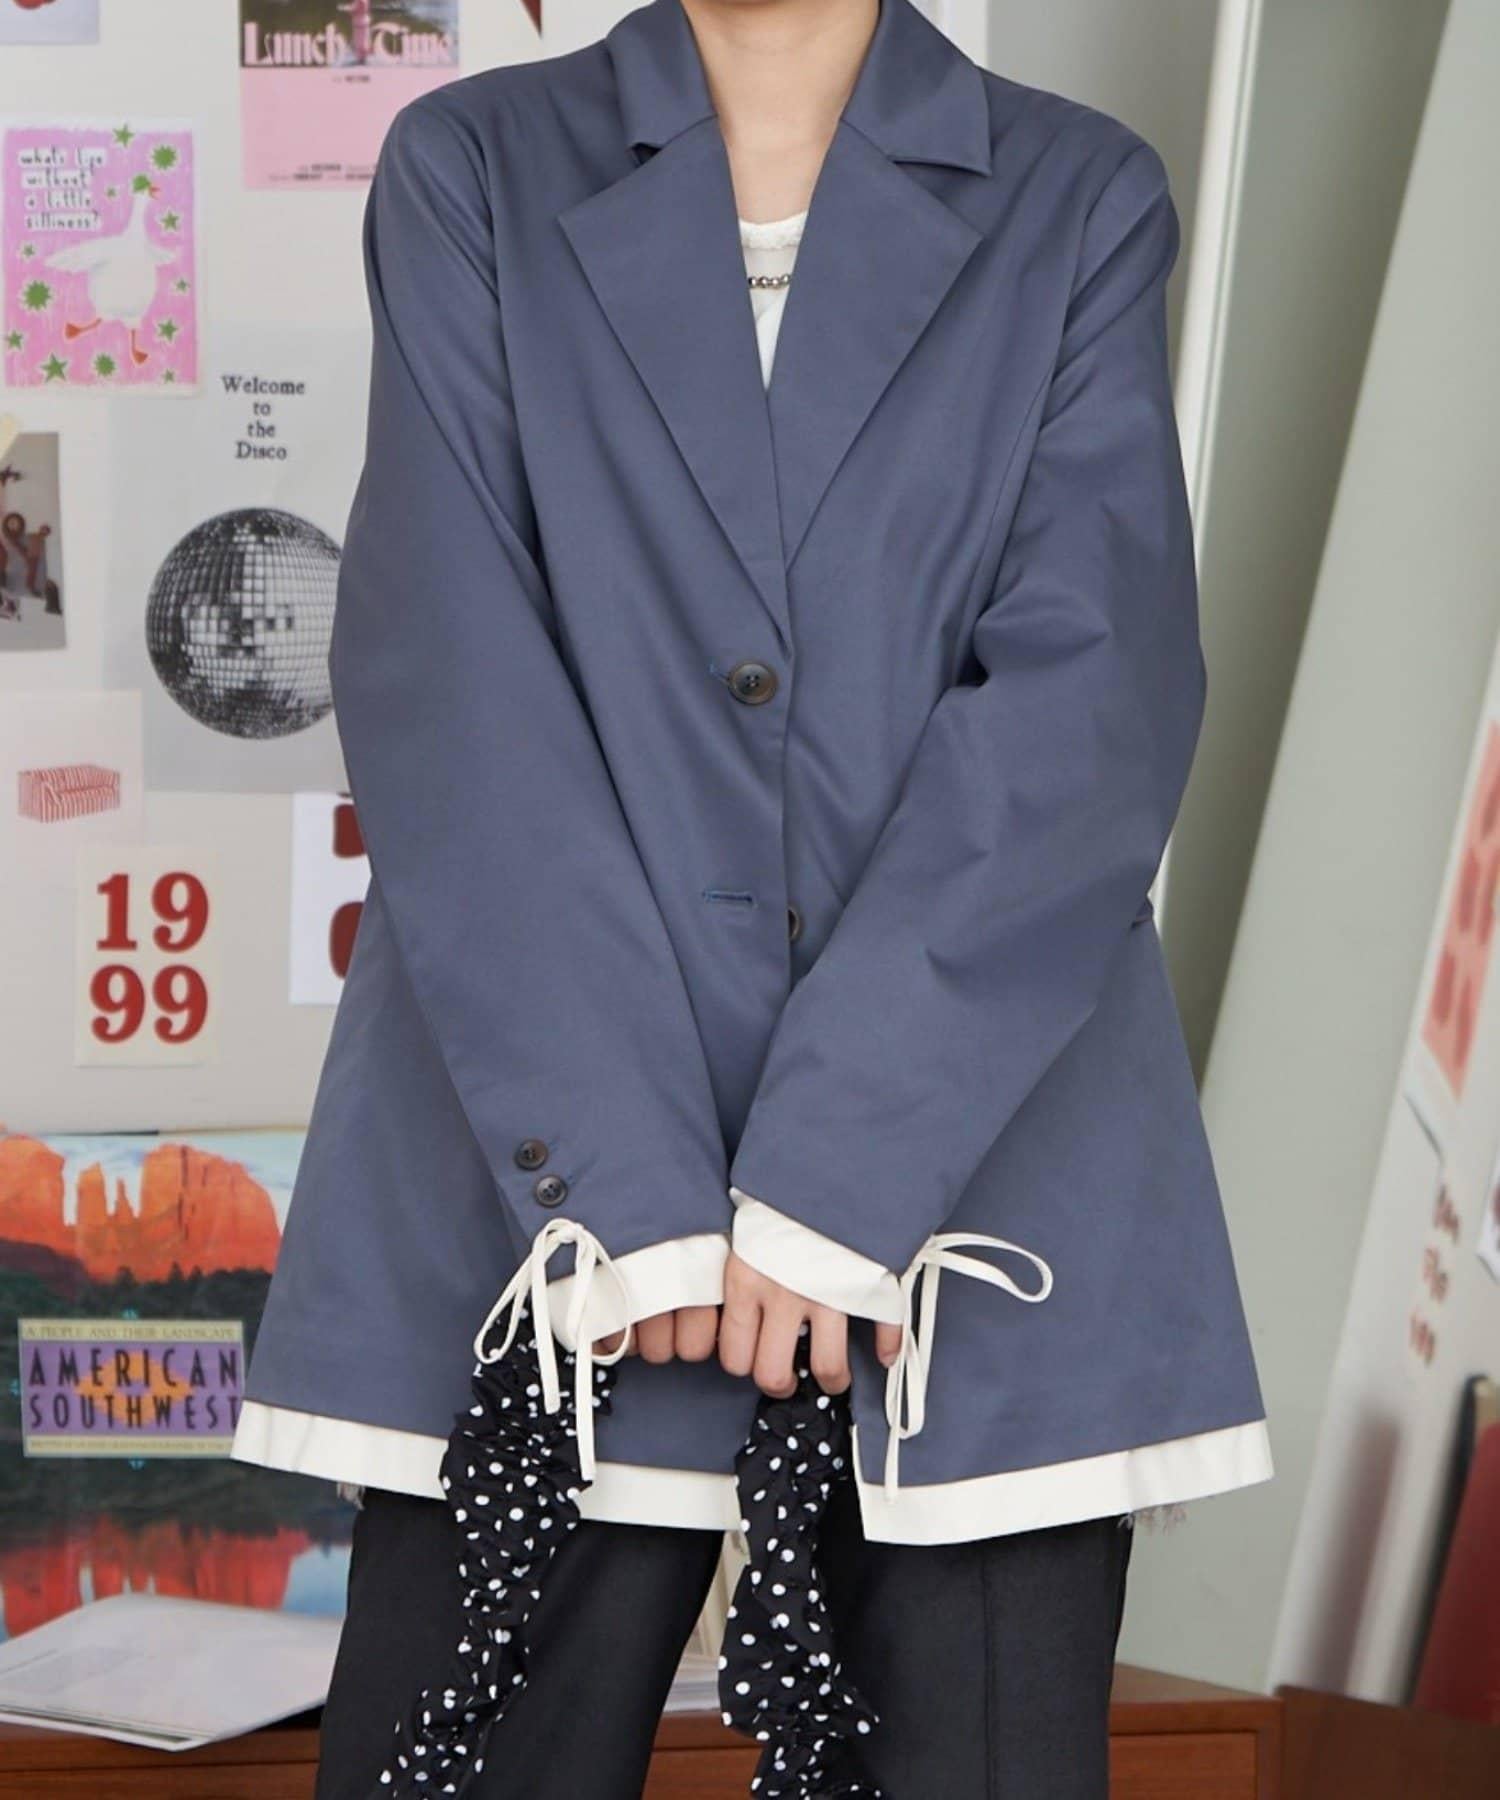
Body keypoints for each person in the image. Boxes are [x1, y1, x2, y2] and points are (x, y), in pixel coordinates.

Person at [230, 1, 1275, 1794]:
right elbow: (454, 690)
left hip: (970, 1196)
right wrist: (628, 1193)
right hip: (548, 1205)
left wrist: (837, 1174)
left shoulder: (1078, 195)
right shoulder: (474, 170)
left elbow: (1088, 709)